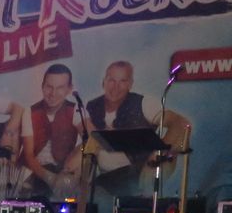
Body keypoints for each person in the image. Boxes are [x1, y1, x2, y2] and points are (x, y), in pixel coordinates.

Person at [84, 60, 189, 195]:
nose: (116, 87)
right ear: (103, 82)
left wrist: (159, 153)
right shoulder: (92, 107)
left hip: (136, 177)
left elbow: (180, 123)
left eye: (122, 81)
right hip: (104, 180)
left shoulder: (144, 103)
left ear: (130, 84)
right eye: (111, 80)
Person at [20, 64, 83, 199]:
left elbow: (93, 138)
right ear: (42, 86)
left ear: (69, 89)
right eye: (49, 87)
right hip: (35, 172)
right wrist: (50, 179)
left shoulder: (76, 110)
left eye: (60, 88)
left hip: (63, 171)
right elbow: (29, 156)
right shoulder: (29, 112)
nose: (53, 94)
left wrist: (77, 158)